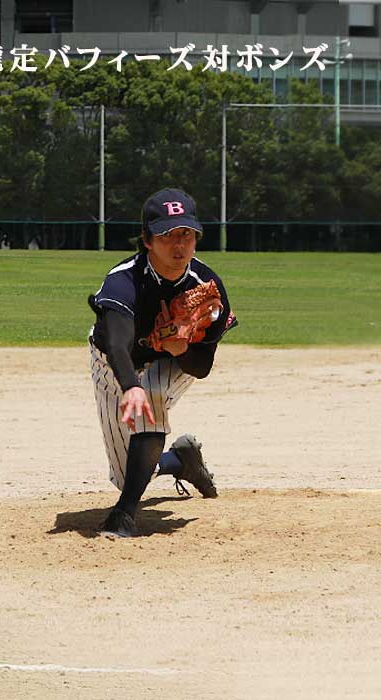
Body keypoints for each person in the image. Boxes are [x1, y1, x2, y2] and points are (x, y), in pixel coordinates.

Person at [88, 189, 230, 538]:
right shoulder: (124, 281)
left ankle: (124, 513)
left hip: (173, 363)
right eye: (167, 235)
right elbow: (118, 345)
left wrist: (180, 348)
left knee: (150, 400)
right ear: (148, 241)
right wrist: (130, 385)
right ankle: (180, 460)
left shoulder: (207, 287)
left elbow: (202, 367)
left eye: (187, 234)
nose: (179, 245)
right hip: (114, 365)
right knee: (127, 474)